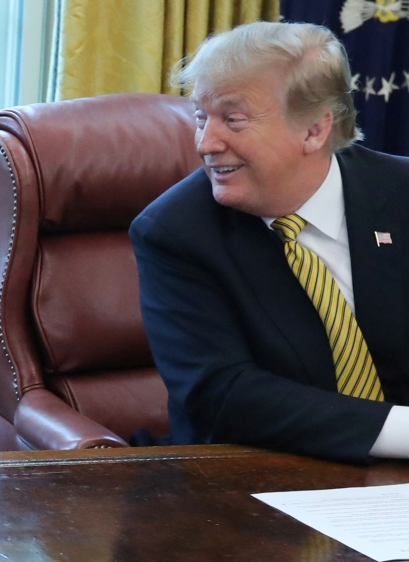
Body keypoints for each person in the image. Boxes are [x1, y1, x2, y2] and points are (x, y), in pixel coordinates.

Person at [130, 21, 409, 466]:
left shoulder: (400, 193)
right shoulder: (174, 232)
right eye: (200, 117)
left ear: (315, 130)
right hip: (250, 480)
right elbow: (224, 394)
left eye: (233, 120)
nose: (206, 143)